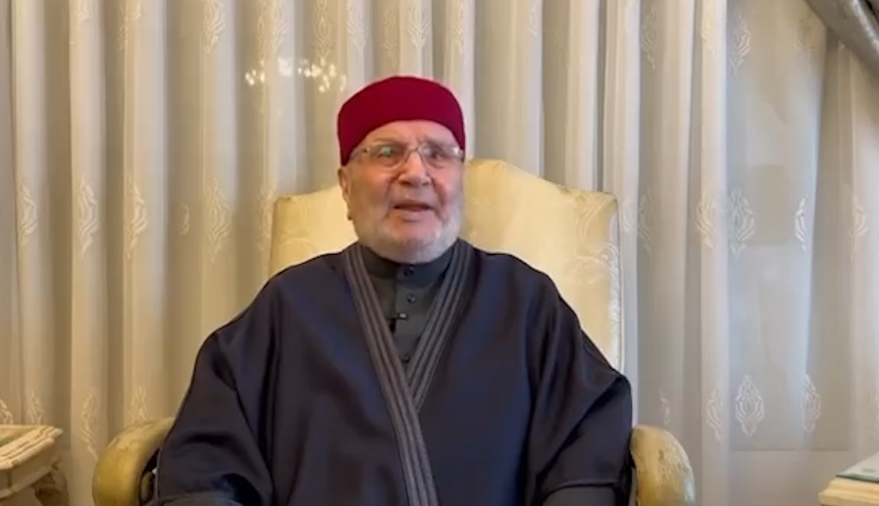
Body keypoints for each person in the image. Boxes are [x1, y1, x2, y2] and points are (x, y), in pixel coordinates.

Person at [152, 75, 633, 506]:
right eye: (386, 153)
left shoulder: (524, 301)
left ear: (459, 179)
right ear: (346, 185)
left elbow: (584, 448)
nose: (416, 173)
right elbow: (206, 461)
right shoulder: (289, 305)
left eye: (438, 154)